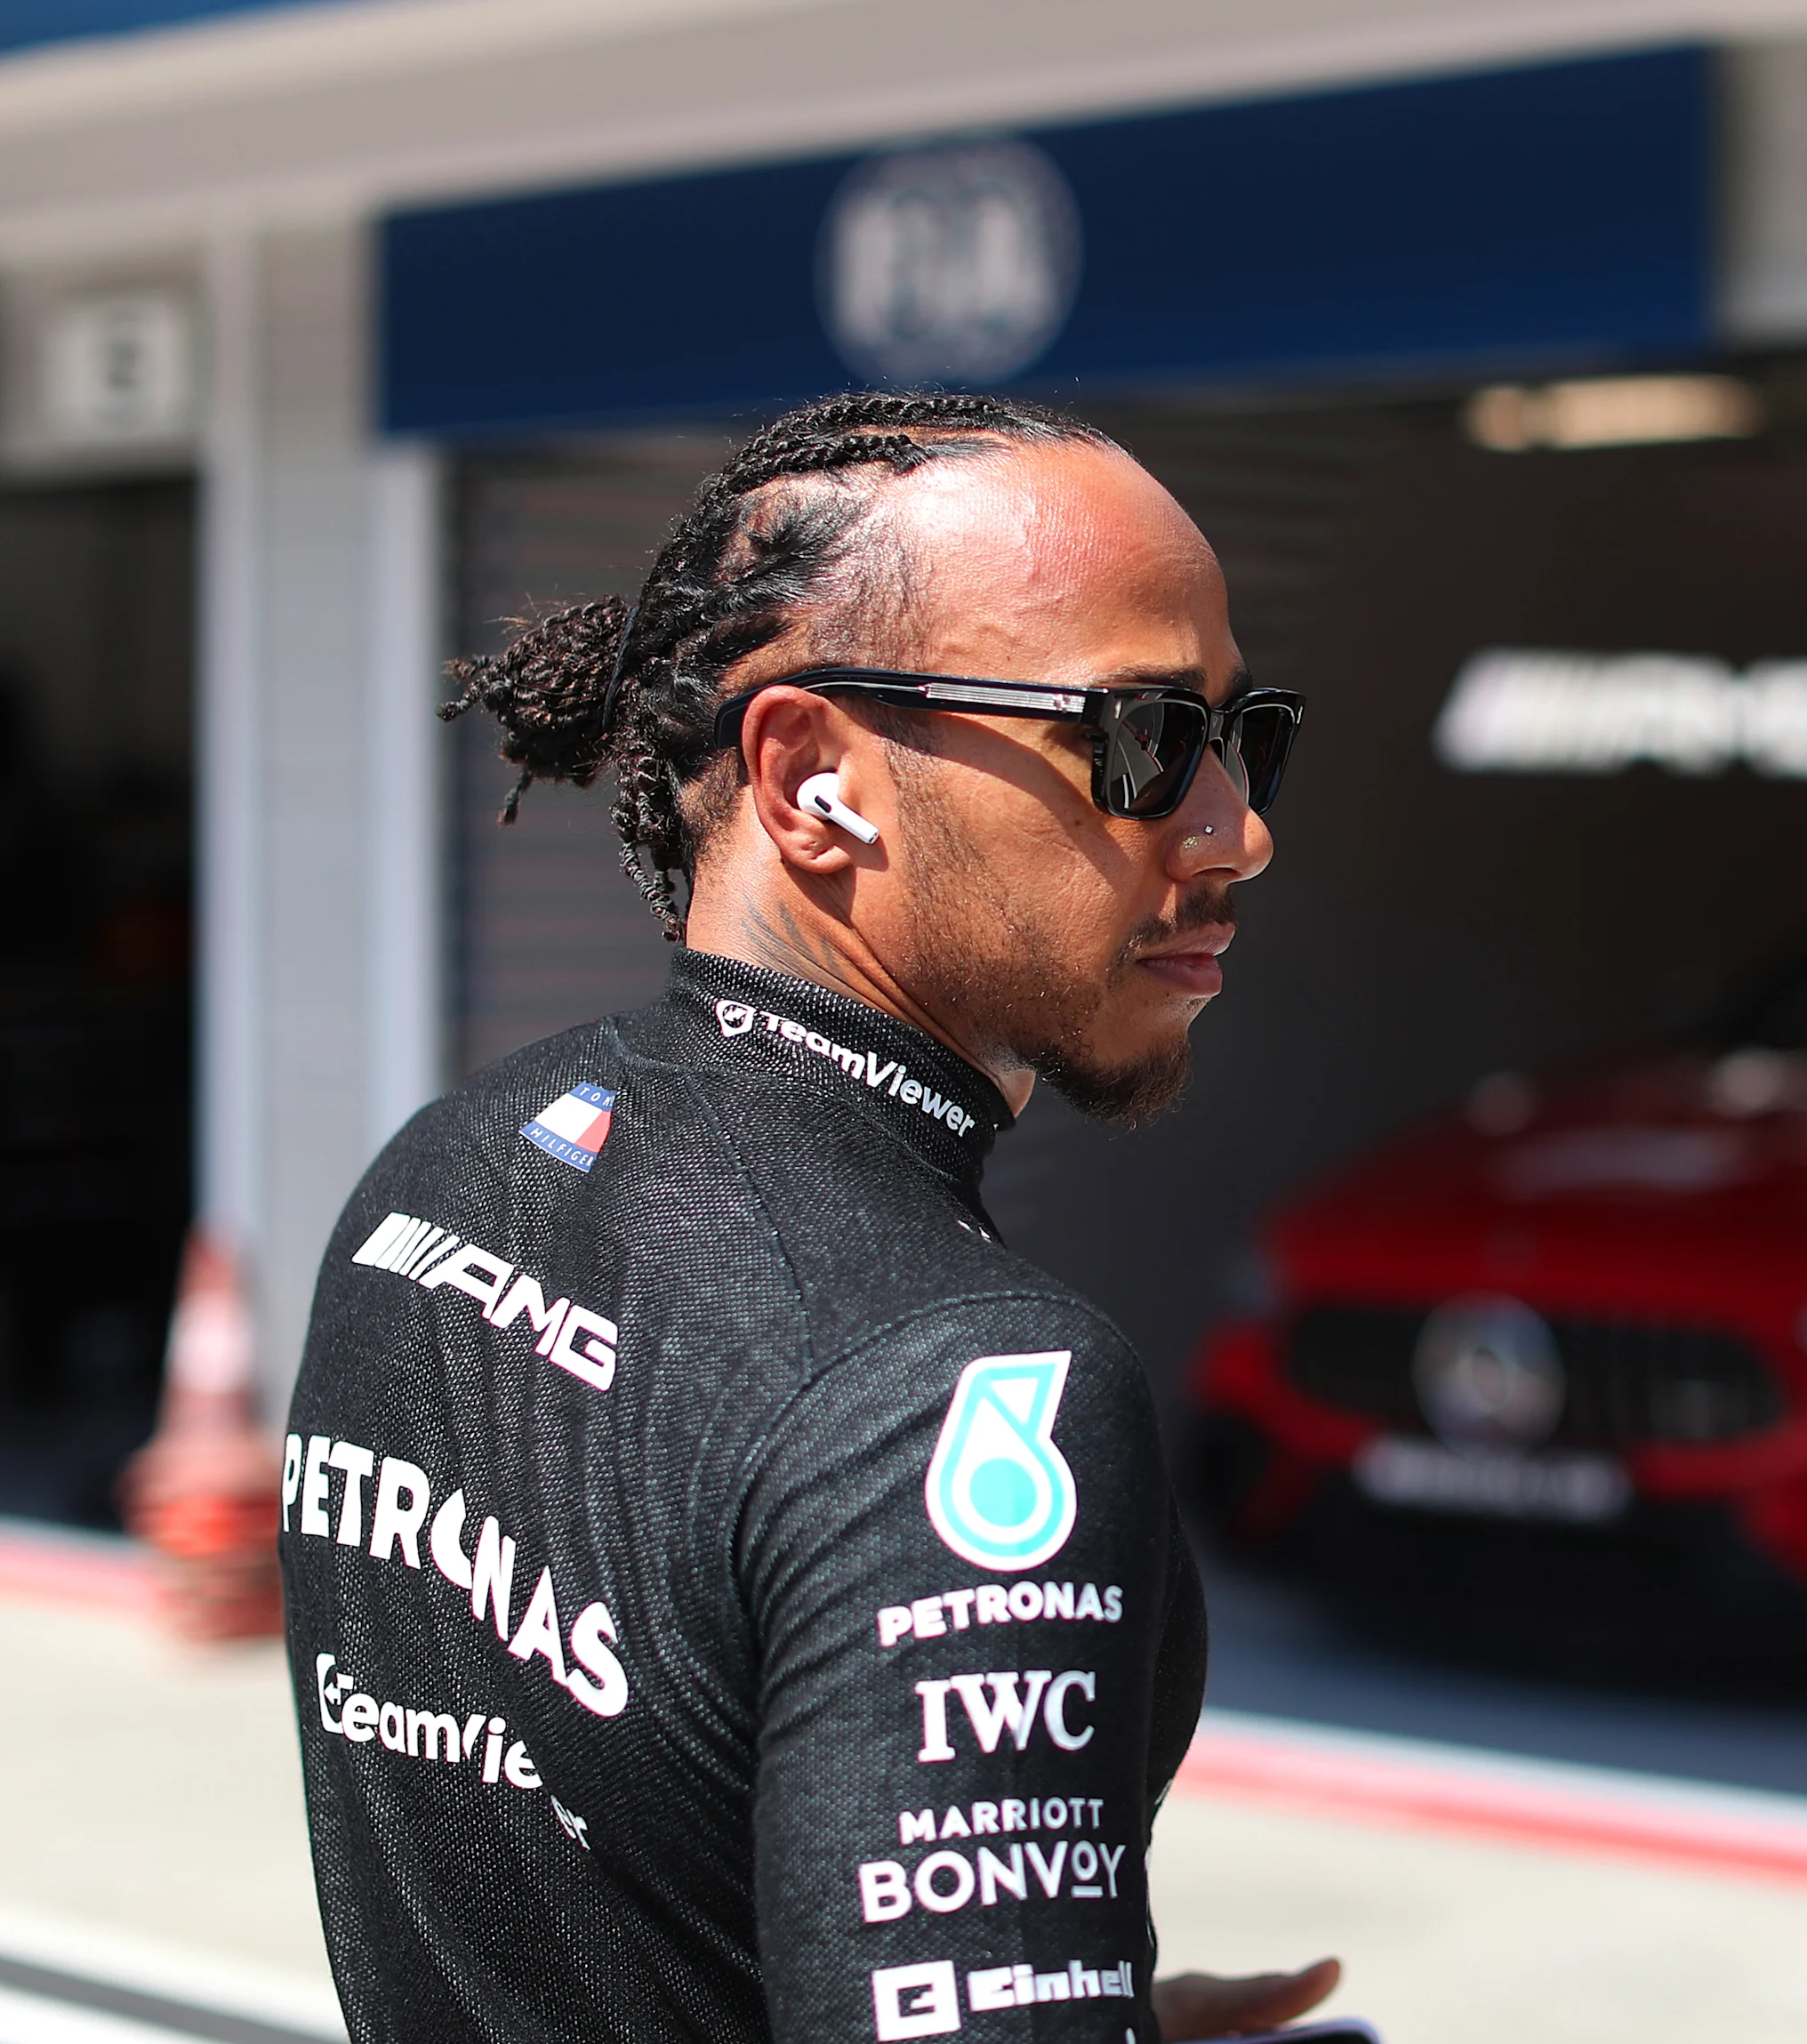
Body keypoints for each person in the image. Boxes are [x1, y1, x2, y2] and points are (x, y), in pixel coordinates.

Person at [278, 390, 1337, 2044]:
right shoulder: (968, 1383)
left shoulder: (443, 1168)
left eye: (1241, 735)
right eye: (1141, 743)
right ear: (816, 778)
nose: (1236, 831)